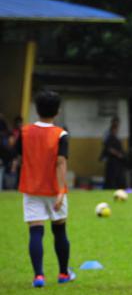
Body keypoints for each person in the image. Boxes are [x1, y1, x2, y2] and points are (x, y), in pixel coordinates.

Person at [14, 90, 75, 287]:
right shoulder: (61, 134)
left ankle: (39, 276)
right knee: (60, 231)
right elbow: (60, 163)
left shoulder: (24, 132)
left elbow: (16, 155)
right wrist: (59, 192)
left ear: (36, 110)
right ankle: (64, 274)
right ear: (57, 111)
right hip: (53, 190)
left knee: (35, 233)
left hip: (31, 189)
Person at [102, 123, 126, 189]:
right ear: (112, 130)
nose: (116, 131)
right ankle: (111, 188)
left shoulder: (117, 138)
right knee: (112, 176)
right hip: (112, 161)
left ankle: (118, 188)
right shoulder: (110, 138)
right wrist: (118, 154)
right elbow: (109, 149)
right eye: (115, 129)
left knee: (119, 176)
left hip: (118, 161)